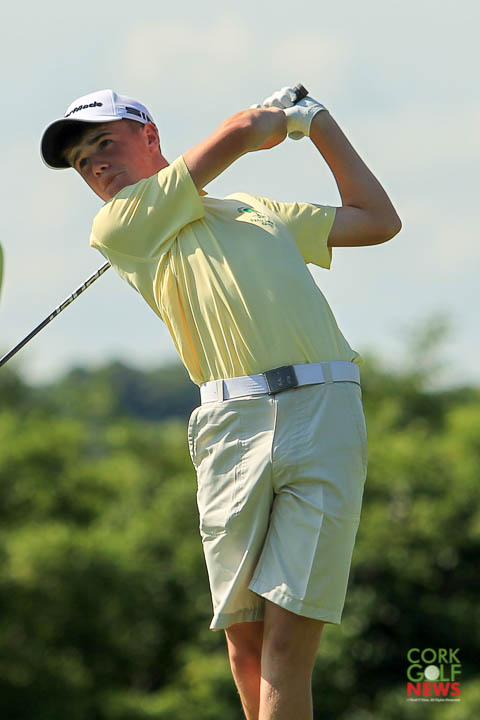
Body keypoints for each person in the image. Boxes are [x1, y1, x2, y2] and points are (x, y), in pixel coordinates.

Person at [40, 85, 402, 720]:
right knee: (246, 647)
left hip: (323, 408)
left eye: (103, 142)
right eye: (80, 161)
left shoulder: (255, 210)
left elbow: (376, 220)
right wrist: (270, 121)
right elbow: (239, 131)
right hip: (229, 425)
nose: (94, 164)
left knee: (287, 642)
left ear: (149, 137)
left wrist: (317, 124)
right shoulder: (120, 225)